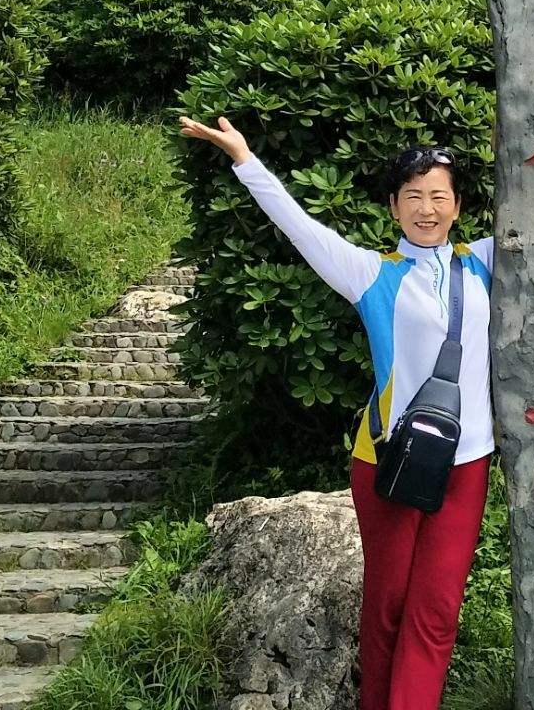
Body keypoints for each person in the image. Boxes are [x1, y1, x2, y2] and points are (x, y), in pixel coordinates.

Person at [178, 114, 493, 710]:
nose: (426, 209)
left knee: (437, 611)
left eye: (438, 197)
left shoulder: (484, 263)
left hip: (467, 461)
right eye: (413, 197)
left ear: (457, 206)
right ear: (393, 207)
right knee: (388, 605)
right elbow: (299, 226)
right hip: (389, 461)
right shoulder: (372, 273)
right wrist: (246, 161)